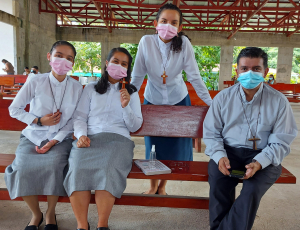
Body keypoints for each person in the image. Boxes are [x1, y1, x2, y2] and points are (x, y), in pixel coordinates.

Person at [203, 47, 298, 230]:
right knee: (218, 183)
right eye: (245, 68)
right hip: (228, 152)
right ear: (237, 71)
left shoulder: (278, 101)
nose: (250, 73)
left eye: (256, 69)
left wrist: (260, 162)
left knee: (251, 190)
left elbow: (281, 140)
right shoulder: (223, 98)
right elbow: (211, 133)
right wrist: (219, 155)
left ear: (265, 72)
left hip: (265, 156)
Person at [131, 3, 212, 195]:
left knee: (175, 151)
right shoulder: (146, 42)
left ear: (180, 27)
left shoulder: (184, 44)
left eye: (174, 23)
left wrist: (212, 103)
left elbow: (194, 77)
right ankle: (152, 187)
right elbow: (137, 77)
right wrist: (127, 102)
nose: (168, 26)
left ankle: (163, 186)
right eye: (164, 21)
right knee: (154, 147)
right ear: (155, 23)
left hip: (178, 100)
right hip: (152, 101)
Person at [5, 41, 83, 230]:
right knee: (22, 168)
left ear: (73, 63)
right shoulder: (35, 80)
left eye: (69, 58)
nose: (63, 60)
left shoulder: (76, 87)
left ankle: (50, 212)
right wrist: (39, 120)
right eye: (59, 55)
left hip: (60, 138)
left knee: (54, 166)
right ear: (49, 57)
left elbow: (75, 119)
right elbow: (14, 109)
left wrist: (55, 140)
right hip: (33, 136)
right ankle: (36, 214)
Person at [63, 47, 143, 230]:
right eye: (115, 61)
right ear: (107, 64)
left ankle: (102, 225)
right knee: (76, 168)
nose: (119, 66)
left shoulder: (131, 93)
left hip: (118, 140)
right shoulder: (91, 88)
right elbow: (80, 117)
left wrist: (126, 106)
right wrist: (81, 135)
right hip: (90, 137)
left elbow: (135, 126)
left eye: (124, 64)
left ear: (127, 69)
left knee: (108, 169)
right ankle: (82, 226)